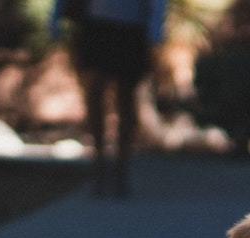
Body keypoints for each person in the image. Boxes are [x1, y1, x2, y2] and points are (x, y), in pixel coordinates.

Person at [52, 0, 167, 197]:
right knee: (95, 96)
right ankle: (99, 165)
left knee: (126, 100)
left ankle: (121, 169)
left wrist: (155, 32)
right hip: (96, 27)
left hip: (130, 29)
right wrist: (56, 18)